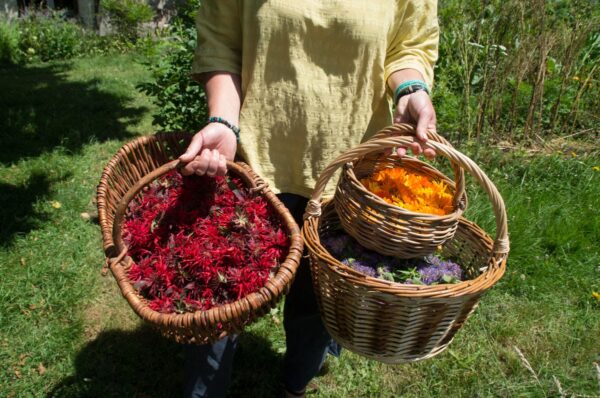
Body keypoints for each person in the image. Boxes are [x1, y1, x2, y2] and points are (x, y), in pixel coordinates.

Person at [179, 1, 439, 397]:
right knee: (219, 296)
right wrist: (223, 121)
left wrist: (409, 91)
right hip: (252, 161)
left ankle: (295, 384)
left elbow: (409, 45)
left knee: (316, 302)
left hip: (346, 170)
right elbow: (220, 42)